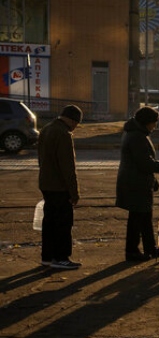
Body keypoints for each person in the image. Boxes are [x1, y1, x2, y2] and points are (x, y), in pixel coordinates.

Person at [115, 106, 159, 262]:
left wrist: (153, 181)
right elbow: (145, 163)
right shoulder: (137, 137)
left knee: (143, 218)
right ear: (146, 122)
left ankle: (149, 249)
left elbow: (142, 163)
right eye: (154, 122)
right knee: (138, 220)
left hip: (137, 182)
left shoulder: (135, 133)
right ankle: (133, 252)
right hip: (135, 184)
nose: (155, 126)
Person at [38, 104, 83, 270]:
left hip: (46, 183)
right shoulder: (63, 134)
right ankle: (61, 257)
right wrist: (74, 192)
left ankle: (47, 257)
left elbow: (40, 158)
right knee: (63, 224)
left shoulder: (47, 129)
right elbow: (68, 167)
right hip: (60, 187)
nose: (75, 127)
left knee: (49, 223)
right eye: (76, 123)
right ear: (72, 120)